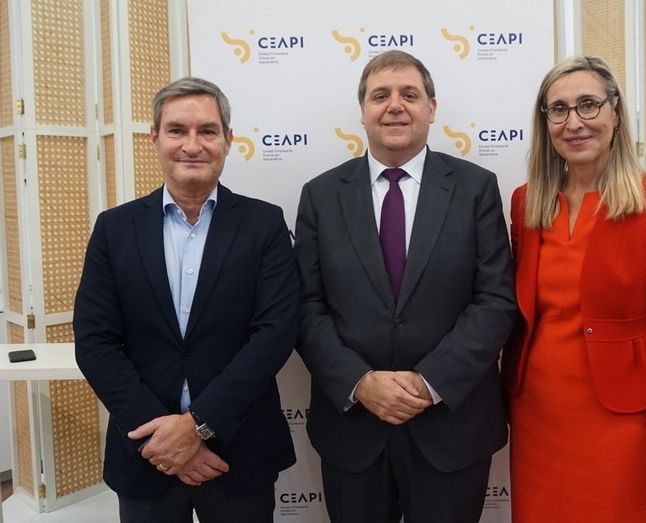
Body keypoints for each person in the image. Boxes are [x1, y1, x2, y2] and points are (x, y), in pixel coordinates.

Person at [294, 50, 516, 523]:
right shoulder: (320, 195)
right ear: (363, 111)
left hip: (451, 429)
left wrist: (428, 382)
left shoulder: (476, 189)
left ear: (431, 109)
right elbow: (306, 306)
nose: (395, 105)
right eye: (381, 95)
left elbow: (495, 300)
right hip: (354, 430)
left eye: (409, 95)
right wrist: (360, 383)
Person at [73, 77, 298, 522]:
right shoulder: (114, 229)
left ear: (228, 140)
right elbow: (95, 341)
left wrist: (197, 427)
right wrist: (163, 440)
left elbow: (275, 335)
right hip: (146, 454)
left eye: (207, 131)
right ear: (154, 137)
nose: (192, 145)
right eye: (177, 130)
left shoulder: (265, 224)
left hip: (238, 454)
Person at [501, 55, 646, 521]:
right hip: (536, 415)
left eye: (588, 104)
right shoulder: (527, 203)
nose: (574, 122)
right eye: (559, 109)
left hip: (622, 420)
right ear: (545, 122)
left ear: (615, 112)